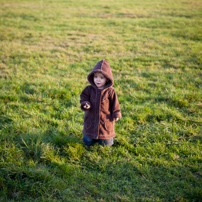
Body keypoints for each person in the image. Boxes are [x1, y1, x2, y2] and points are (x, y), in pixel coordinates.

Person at [80, 60, 122, 146]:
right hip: (91, 122)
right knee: (87, 141)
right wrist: (85, 103)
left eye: (101, 78)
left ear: (107, 79)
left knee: (106, 144)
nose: (98, 80)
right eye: (96, 77)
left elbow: (115, 104)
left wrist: (116, 113)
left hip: (105, 123)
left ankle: (104, 141)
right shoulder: (89, 89)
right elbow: (83, 97)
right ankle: (90, 140)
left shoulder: (110, 91)